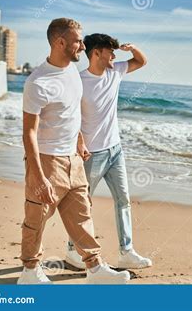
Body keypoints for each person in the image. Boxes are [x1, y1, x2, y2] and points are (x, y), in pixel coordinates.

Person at [18, 19, 130, 284]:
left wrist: (79, 140)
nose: (83, 45)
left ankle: (94, 268)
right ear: (60, 43)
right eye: (78, 41)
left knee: (82, 215)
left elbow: (71, 113)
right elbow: (29, 133)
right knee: (37, 217)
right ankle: (30, 271)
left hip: (74, 158)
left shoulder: (72, 72)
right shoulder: (38, 83)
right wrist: (39, 175)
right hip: (47, 160)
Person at [65, 33, 152, 270]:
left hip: (116, 151)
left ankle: (127, 251)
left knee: (123, 200)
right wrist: (79, 142)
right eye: (110, 51)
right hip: (92, 154)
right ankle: (73, 250)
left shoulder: (115, 71)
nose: (114, 55)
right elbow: (71, 117)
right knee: (83, 203)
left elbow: (141, 62)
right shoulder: (78, 81)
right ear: (96, 53)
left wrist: (133, 47)